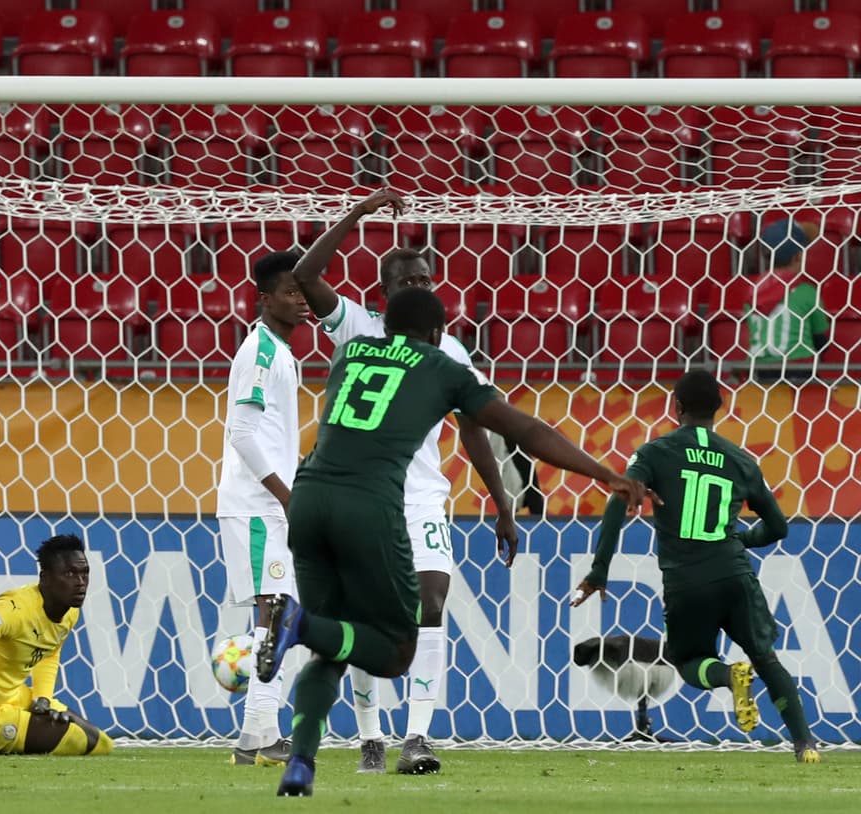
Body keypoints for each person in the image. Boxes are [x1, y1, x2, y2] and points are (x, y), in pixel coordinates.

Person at [259, 287, 650, 797]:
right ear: (439, 334)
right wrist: (606, 476)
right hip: (369, 508)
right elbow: (526, 430)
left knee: (329, 648)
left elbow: (310, 275)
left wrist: (363, 209)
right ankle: (300, 623)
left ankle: (300, 766)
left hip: (307, 500)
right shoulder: (442, 367)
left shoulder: (349, 350)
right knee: (397, 651)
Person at [292, 187, 519, 775]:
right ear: (385, 291)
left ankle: (417, 736)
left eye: (426, 280)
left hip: (420, 495)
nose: (421, 288)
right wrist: (358, 212)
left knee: (431, 602)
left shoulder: (450, 349)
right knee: (368, 615)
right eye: (408, 282)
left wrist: (501, 499)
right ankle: (370, 736)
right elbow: (307, 273)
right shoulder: (357, 329)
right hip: (362, 493)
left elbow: (473, 427)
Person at [571, 370, 820, 763]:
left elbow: (620, 498)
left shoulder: (655, 453)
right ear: (719, 409)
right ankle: (805, 745)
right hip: (735, 574)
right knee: (767, 658)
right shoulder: (741, 459)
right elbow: (778, 527)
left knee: (687, 663)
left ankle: (726, 676)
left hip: (687, 582)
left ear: (678, 407)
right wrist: (742, 538)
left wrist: (600, 569)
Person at [215, 250, 311, 766]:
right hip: (256, 507)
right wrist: (286, 494)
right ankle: (254, 738)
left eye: (303, 291)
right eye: (289, 292)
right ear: (264, 299)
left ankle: (261, 737)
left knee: (282, 615)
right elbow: (243, 433)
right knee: (274, 614)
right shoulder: (260, 352)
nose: (299, 300)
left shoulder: (281, 352)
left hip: (269, 505)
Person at [0, 534, 113, 757]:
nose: (80, 582)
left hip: (8, 698)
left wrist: (42, 698)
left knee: (100, 743)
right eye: (69, 574)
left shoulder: (69, 611)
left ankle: (10, 732)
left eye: (84, 573)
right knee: (75, 740)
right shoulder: (12, 611)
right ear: (44, 578)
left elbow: (50, 651)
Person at [745, 218, 828, 382]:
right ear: (798, 256)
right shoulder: (806, 292)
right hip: (799, 369)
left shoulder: (753, 289)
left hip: (759, 371)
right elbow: (822, 339)